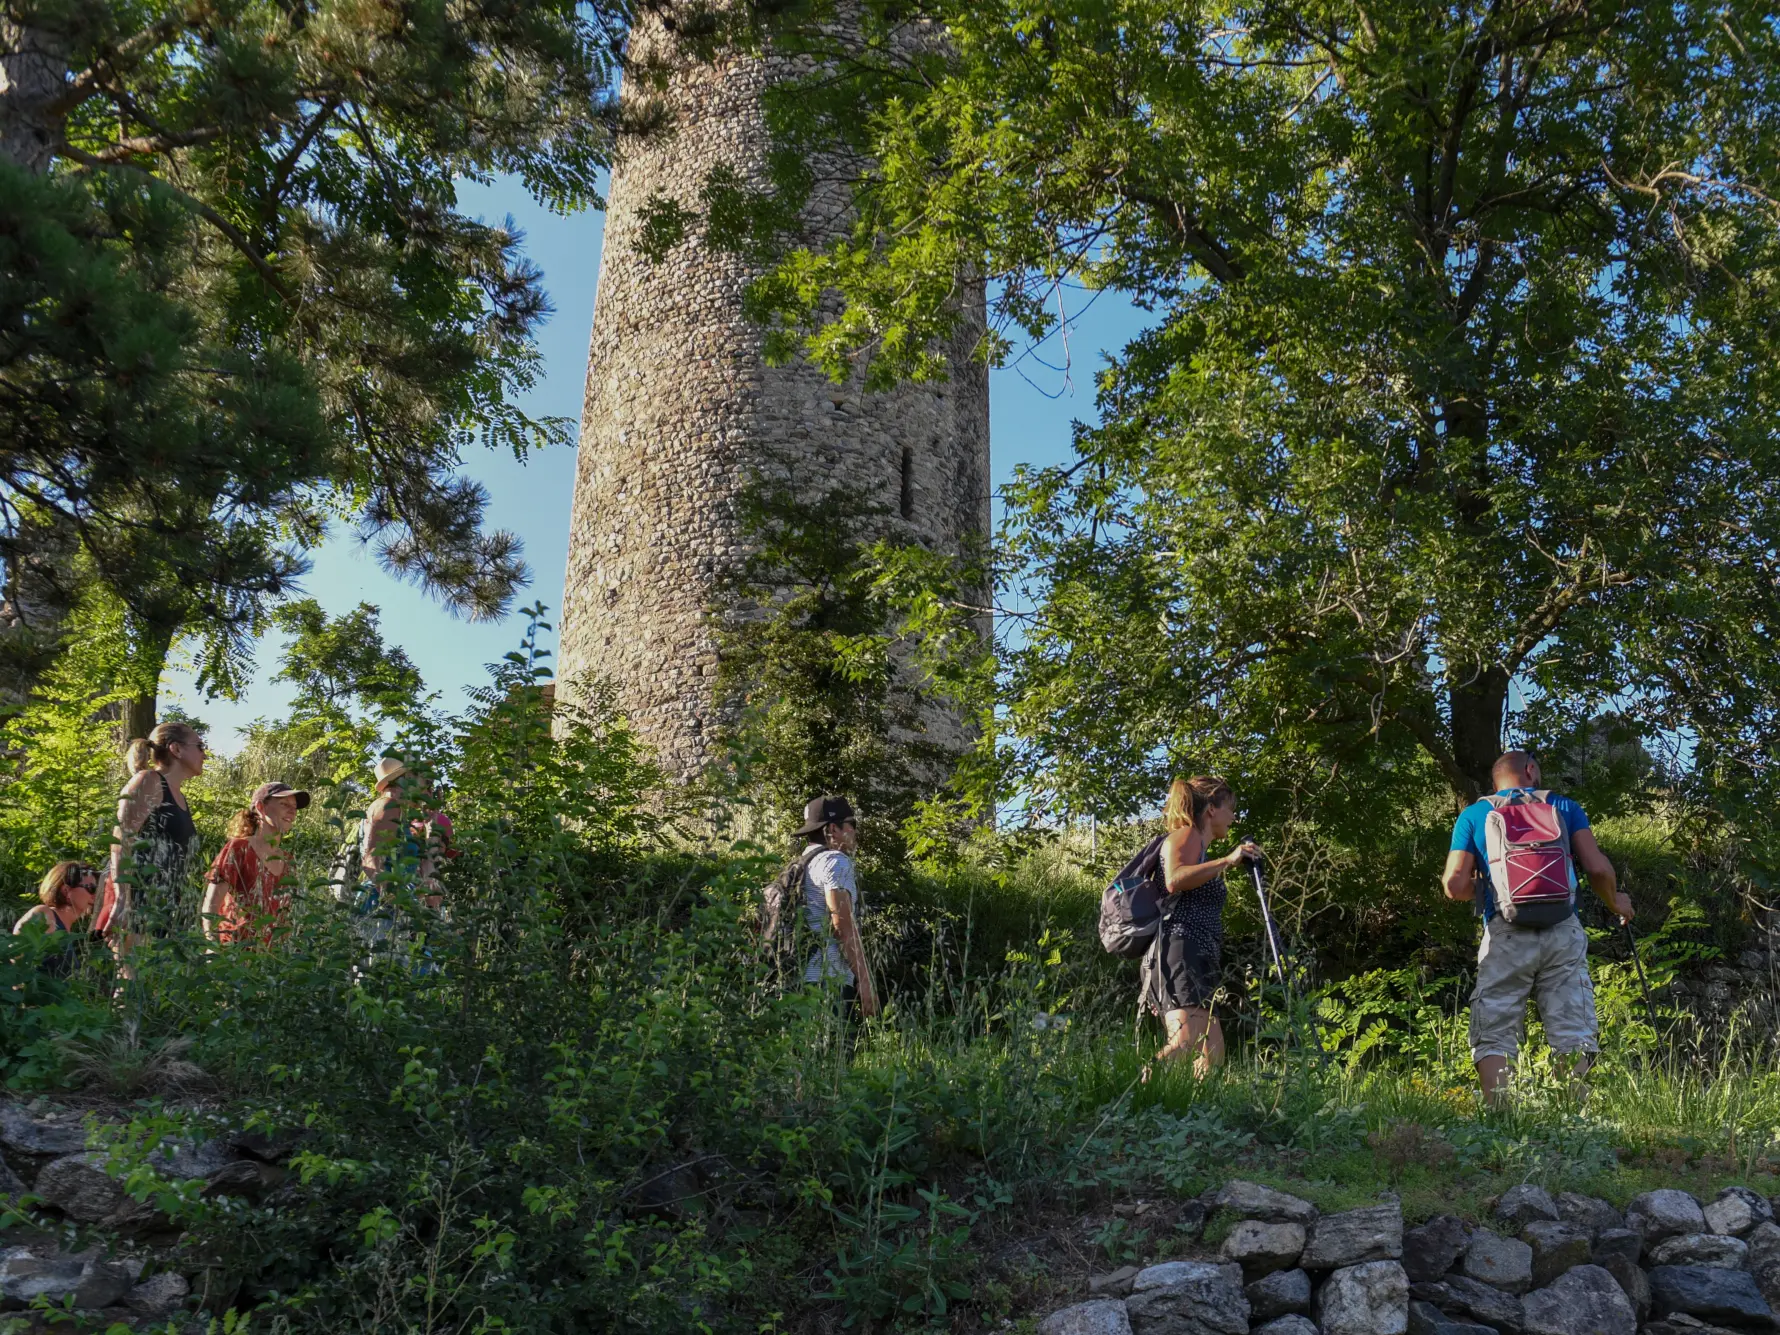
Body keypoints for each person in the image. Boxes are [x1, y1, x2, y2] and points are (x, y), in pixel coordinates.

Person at [1442, 749, 1631, 1106]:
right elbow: (1599, 870)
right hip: (1562, 930)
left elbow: (1453, 885)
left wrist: (1483, 890)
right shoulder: (1565, 807)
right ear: (1530, 770)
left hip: (1505, 933)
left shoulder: (1475, 814)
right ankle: (1570, 1115)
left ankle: (1500, 1116)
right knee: (1571, 1025)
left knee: (1495, 1026)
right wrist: (1615, 902)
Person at [1145, 775, 1259, 1077]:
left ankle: (1193, 1120)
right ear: (1211, 809)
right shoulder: (1187, 835)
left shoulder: (1199, 846)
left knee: (1212, 1052)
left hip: (1194, 951)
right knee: (1185, 1041)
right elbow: (1174, 879)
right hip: (1181, 949)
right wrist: (1228, 860)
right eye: (1230, 808)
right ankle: (1131, 1105)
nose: (1233, 817)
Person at [96, 722, 206, 945]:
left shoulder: (179, 796)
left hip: (162, 906)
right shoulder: (149, 781)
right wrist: (122, 901)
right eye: (200, 746)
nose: (205, 754)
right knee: (129, 978)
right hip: (136, 901)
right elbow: (121, 838)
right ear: (176, 749)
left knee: (155, 979)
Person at [793, 795, 880, 1019]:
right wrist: (864, 979)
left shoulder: (800, 865)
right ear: (833, 828)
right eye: (852, 824)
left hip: (797, 979)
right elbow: (841, 925)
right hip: (829, 981)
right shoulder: (835, 861)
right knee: (838, 1050)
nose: (855, 832)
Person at [200, 782, 309, 946]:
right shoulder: (239, 848)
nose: (292, 811)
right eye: (284, 804)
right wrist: (212, 946)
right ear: (260, 807)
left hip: (268, 959)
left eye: (294, 807)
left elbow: (284, 917)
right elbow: (211, 903)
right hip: (233, 952)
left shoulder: (288, 861)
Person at [14, 861, 99, 978]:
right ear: (66, 891)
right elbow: (15, 956)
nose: (94, 895)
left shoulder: (67, 930)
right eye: (91, 888)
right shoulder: (45, 915)